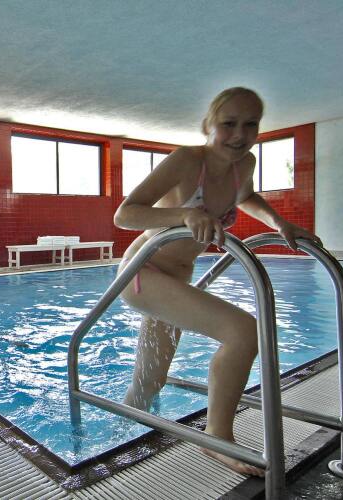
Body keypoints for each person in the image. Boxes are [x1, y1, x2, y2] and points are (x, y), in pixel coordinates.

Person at [113, 87, 321, 476]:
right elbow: (125, 215)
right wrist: (183, 215)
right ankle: (217, 436)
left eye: (250, 124)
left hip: (178, 277)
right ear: (208, 125)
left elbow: (246, 196)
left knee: (150, 381)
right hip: (143, 272)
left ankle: (116, 440)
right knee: (244, 332)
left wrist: (279, 223)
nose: (240, 134)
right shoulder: (187, 161)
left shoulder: (245, 164)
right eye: (229, 124)